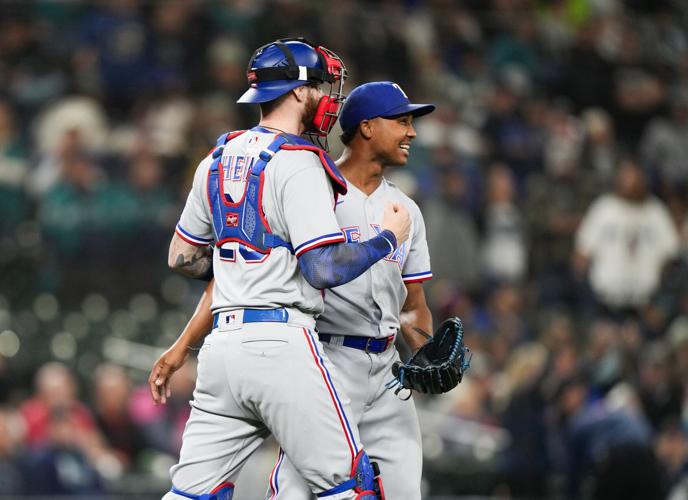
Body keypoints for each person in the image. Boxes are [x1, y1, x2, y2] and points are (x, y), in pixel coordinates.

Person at [151, 81, 435, 499]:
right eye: (403, 121)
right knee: (320, 491)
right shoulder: (312, 182)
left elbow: (413, 307)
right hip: (322, 356)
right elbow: (242, 277)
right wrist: (184, 345)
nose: (412, 132)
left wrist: (426, 354)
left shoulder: (405, 210)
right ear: (369, 127)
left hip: (387, 371)